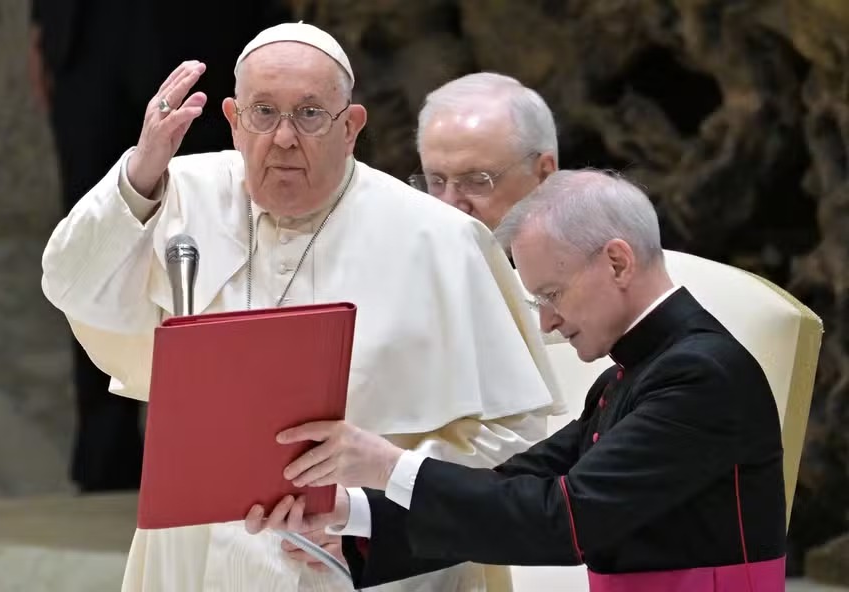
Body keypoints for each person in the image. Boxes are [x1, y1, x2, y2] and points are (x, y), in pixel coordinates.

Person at [40, 22, 566, 592]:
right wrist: (139, 172)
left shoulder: (437, 238)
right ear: (234, 121)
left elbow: (513, 436)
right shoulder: (176, 193)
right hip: (200, 550)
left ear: (352, 127)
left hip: (362, 558)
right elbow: (69, 282)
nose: (284, 137)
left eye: (310, 114)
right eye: (263, 112)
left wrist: (373, 502)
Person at [249, 169, 788, 592]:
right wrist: (351, 512)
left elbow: (564, 519)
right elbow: (514, 484)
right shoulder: (632, 376)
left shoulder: (700, 377)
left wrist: (388, 464)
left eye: (551, 294)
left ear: (618, 263)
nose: (547, 321)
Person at [28, 0, 291, 492]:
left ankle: (213, 443)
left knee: (212, 233)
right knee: (99, 231)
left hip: (202, 32)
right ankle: (106, 453)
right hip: (86, 39)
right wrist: (43, 26)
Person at [407, 72, 558, 232]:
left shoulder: (583, 254)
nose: (449, 205)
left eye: (477, 181)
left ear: (544, 175)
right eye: (436, 182)